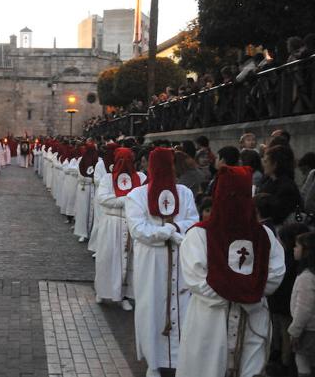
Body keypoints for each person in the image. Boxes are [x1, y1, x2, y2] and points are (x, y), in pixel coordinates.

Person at [177, 166, 285, 377]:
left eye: (241, 196)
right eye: (230, 196)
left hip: (252, 319)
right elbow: (197, 279)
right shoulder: (199, 235)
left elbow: (275, 274)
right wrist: (248, 292)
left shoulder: (264, 235)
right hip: (212, 319)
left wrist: (237, 292)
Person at [125, 147, 199, 377]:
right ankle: (153, 361)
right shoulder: (136, 195)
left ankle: (180, 359)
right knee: (152, 305)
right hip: (152, 260)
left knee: (183, 305)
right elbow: (138, 230)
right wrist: (167, 231)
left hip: (179, 255)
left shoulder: (184, 193)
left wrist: (175, 228)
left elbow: (192, 220)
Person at [95, 148, 146, 311]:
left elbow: (144, 199)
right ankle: (102, 291)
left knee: (128, 261)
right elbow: (103, 198)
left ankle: (123, 295)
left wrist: (125, 200)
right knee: (107, 258)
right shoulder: (108, 179)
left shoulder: (141, 178)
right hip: (112, 222)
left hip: (131, 223)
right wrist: (127, 199)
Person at [267, 223, 310, 376]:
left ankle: (285, 366)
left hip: (287, 310)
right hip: (282, 307)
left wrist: (295, 331)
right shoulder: (289, 261)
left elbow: (305, 306)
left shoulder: (304, 274)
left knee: (290, 343)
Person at [289, 232, 315, 377]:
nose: (294, 248)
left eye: (297, 246)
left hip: (308, 331)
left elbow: (304, 308)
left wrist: (294, 331)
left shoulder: (306, 277)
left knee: (303, 364)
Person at [259, 145, 303, 226]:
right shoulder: (269, 182)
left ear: (275, 164)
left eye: (266, 161)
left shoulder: (286, 187)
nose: (263, 164)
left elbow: (277, 215)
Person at [74, 141, 98, 243]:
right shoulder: (81, 160)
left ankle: (92, 233)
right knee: (83, 211)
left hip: (94, 189)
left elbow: (98, 175)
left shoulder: (98, 161)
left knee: (93, 212)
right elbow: (80, 175)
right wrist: (89, 180)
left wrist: (93, 180)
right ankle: (83, 233)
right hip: (84, 188)